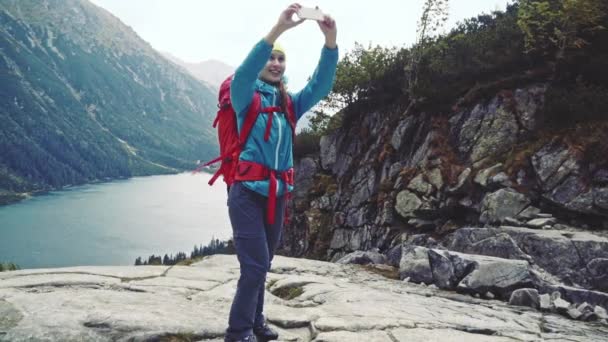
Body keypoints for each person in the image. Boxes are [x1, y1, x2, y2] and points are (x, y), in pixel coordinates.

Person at [224, 3, 338, 342]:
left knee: (262, 264)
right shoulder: (244, 95)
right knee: (255, 265)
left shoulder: (290, 102)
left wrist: (330, 42)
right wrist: (279, 28)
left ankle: (256, 321)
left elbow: (321, 85)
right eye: (270, 57)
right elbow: (244, 72)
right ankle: (238, 330)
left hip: (276, 195)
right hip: (246, 192)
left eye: (280, 58)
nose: (275, 63)